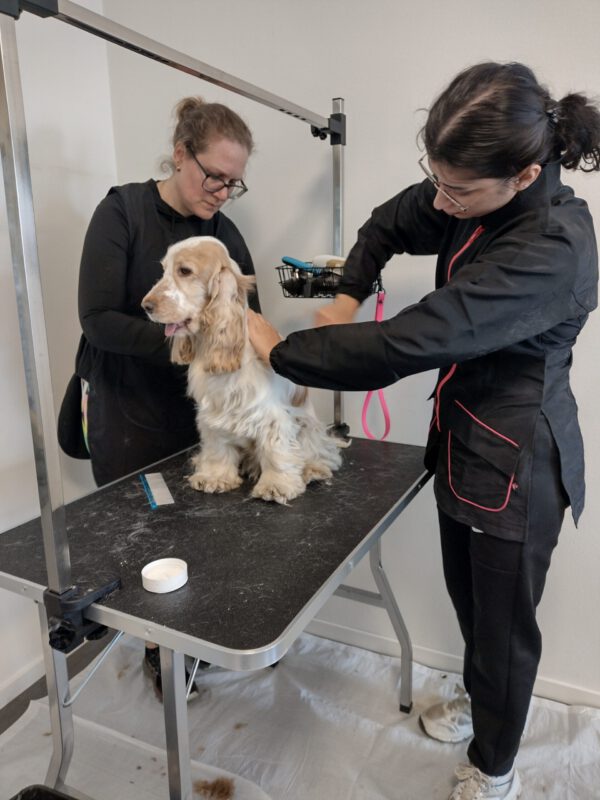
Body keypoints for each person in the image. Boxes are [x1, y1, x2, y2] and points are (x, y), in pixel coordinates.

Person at [248, 62, 599, 800]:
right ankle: (483, 706)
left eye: (459, 192)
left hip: (516, 464)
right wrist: (343, 296)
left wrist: (276, 349)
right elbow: (389, 221)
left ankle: (496, 768)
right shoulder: (470, 190)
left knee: (504, 632)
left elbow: (409, 342)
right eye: (437, 180)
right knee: (471, 606)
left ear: (526, 172)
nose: (443, 203)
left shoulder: (554, 249)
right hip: (460, 441)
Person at [59, 96, 260, 696]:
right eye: (214, 176)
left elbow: (249, 322)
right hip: (125, 405)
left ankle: (202, 637)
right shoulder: (122, 211)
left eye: (234, 183)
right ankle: (159, 650)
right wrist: (187, 342)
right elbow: (97, 319)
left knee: (206, 525)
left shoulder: (224, 238)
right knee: (147, 532)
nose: (223, 192)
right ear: (180, 155)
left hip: (199, 408)